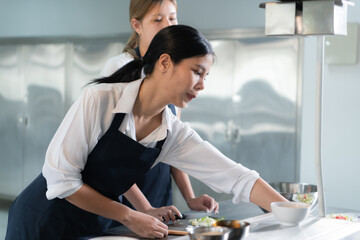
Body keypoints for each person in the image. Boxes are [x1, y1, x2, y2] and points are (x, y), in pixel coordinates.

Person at [6, 25, 287, 240]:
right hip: (42, 221)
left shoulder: (171, 131)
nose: (202, 85)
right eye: (197, 72)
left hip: (96, 225)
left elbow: (236, 176)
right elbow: (61, 180)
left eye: (206, 76)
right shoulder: (100, 101)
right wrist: (129, 215)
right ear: (165, 63)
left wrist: (289, 210)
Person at [100, 0, 218, 214]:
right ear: (137, 25)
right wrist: (144, 208)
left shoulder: (176, 71)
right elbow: (109, 153)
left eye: (172, 18)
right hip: (124, 196)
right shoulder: (119, 69)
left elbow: (174, 140)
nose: (168, 26)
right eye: (157, 19)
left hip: (158, 189)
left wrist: (189, 197)